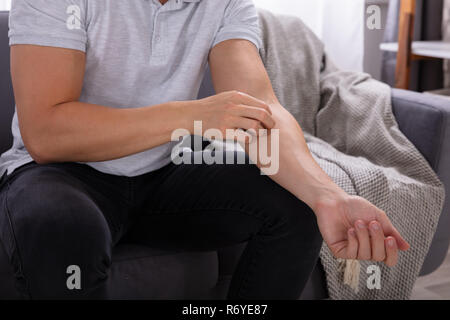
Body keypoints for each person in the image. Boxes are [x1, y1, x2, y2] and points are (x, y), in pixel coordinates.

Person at [0, 0, 409, 299]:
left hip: (162, 169)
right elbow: (47, 133)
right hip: (63, 173)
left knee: (296, 201)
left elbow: (260, 111)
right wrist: (188, 116)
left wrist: (328, 197)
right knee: (62, 228)